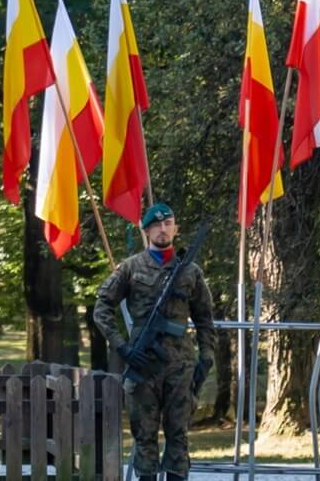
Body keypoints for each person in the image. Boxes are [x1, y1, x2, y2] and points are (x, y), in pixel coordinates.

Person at [93, 203, 217, 481]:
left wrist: (206, 356)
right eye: (156, 225)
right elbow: (101, 308)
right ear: (146, 231)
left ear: (176, 228)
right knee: (144, 437)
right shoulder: (131, 268)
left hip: (180, 366)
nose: (163, 229)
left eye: (168, 224)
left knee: (178, 436)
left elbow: (205, 319)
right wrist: (121, 347)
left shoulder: (190, 271)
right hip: (143, 364)